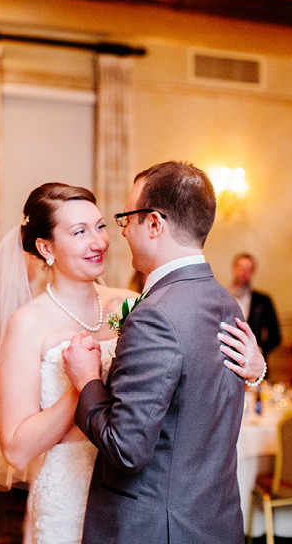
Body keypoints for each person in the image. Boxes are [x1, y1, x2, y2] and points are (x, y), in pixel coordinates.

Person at [0, 182, 265, 544]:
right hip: (69, 500)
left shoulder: (133, 304)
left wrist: (253, 370)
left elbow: (185, 381)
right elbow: (16, 449)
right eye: (79, 232)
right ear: (46, 248)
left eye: (100, 226)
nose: (99, 242)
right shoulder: (27, 324)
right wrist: (82, 387)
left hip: (138, 500)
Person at [62, 162, 255, 543]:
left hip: (154, 528)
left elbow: (127, 448)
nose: (121, 232)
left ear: (154, 224)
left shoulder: (155, 316)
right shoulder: (226, 302)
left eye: (126, 219)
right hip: (212, 519)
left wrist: (86, 379)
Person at [230, 253, 282, 358]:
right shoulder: (223, 298)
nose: (244, 273)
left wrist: (259, 350)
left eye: (248, 269)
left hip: (254, 362)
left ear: (253, 272)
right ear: (234, 269)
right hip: (228, 360)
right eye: (241, 268)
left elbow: (275, 336)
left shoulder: (263, 301)